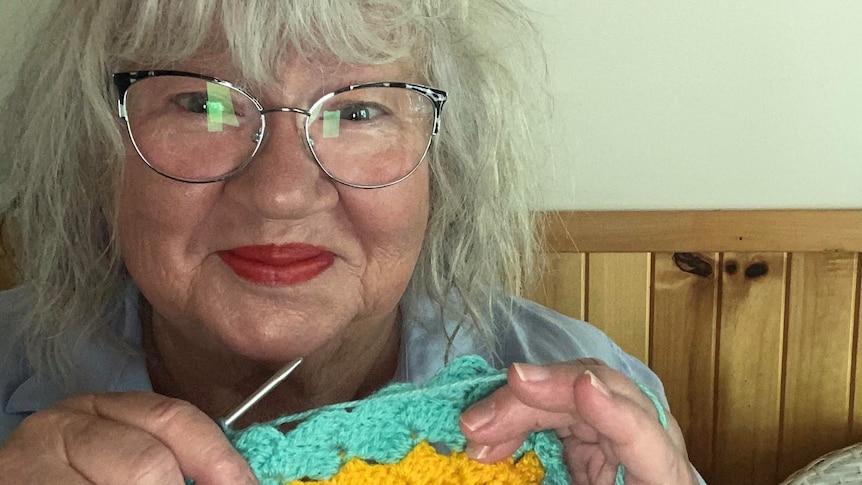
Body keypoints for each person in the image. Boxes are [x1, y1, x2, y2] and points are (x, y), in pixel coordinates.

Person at [0, 1, 705, 483]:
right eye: (202, 104)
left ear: (442, 166)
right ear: (96, 150)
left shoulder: (591, 403)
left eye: (360, 109)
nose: (281, 191)